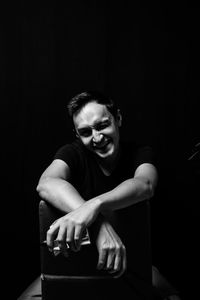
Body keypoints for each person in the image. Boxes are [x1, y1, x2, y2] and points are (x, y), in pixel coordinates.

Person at [36, 91, 180, 300]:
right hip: (77, 268)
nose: (97, 137)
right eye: (85, 132)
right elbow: (46, 183)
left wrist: (92, 207)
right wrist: (98, 225)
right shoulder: (73, 153)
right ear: (77, 135)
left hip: (133, 264)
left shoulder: (140, 153)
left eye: (102, 125)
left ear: (118, 118)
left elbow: (145, 184)